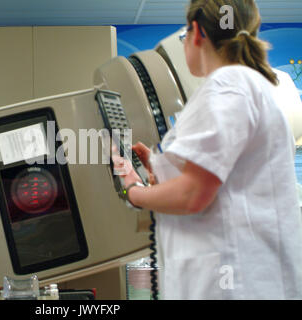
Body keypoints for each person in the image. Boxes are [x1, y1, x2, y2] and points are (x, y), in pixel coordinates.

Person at [115, 0, 302, 299]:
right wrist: (160, 168)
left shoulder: (227, 87)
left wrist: (133, 191)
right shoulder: (246, 86)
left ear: (197, 32)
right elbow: (221, 181)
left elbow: (193, 195)